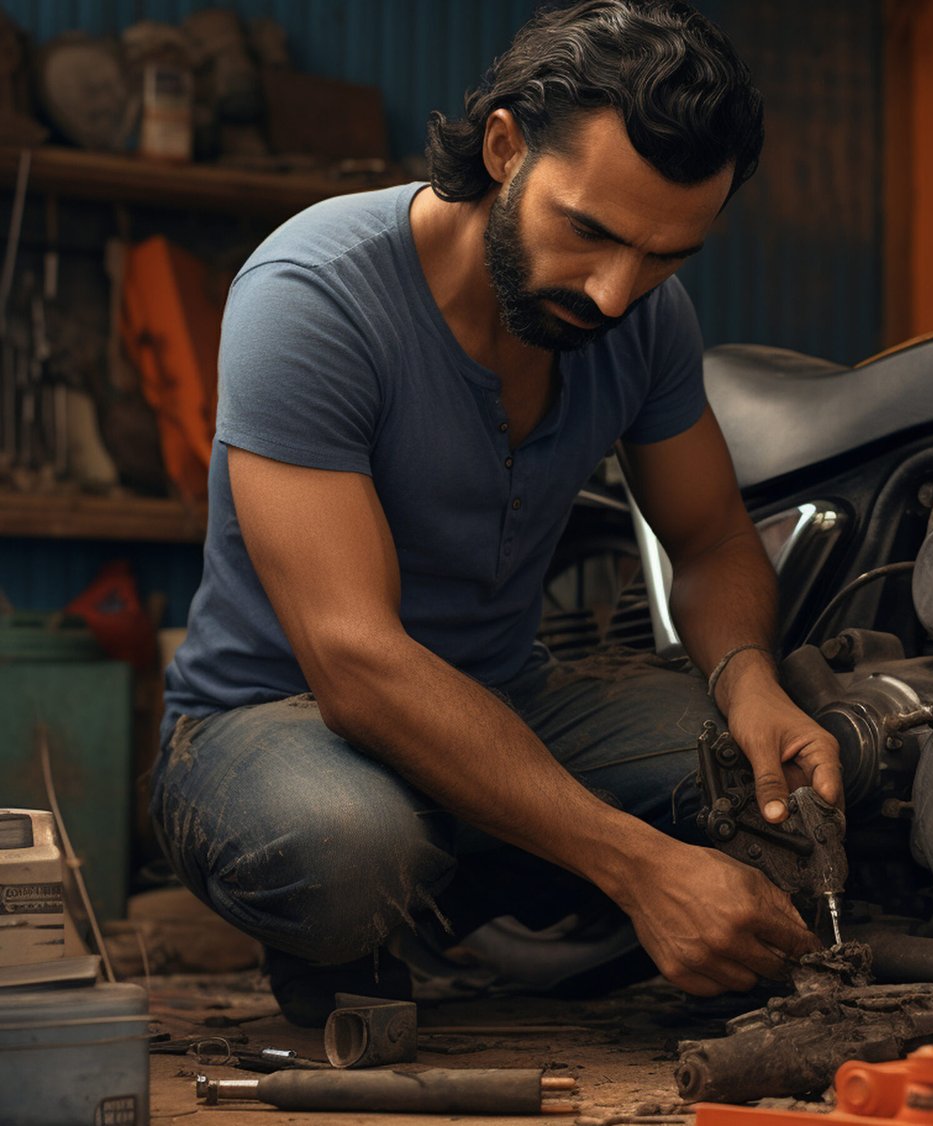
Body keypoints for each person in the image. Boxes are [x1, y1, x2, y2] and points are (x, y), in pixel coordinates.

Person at [151, 0, 842, 1027]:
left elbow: (708, 542)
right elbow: (354, 662)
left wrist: (748, 682)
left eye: (661, 257)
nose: (615, 294)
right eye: (590, 233)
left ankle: (461, 883)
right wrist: (639, 864)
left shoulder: (644, 316)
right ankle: (383, 902)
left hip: (508, 701)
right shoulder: (312, 295)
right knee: (349, 844)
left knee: (789, 766)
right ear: (505, 144)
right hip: (273, 724)